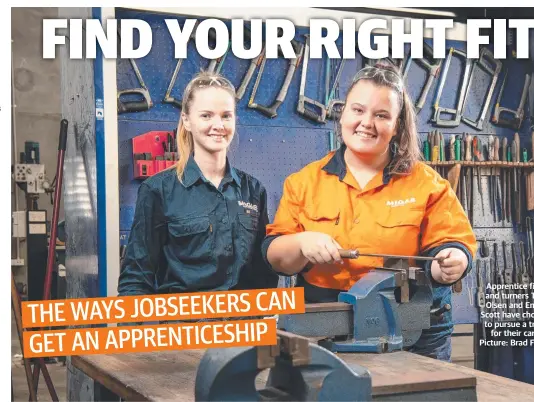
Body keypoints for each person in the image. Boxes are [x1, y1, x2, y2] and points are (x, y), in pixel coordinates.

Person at [262, 62, 477, 362]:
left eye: (381, 115)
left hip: (411, 331)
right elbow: (277, 259)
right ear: (343, 113)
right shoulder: (303, 183)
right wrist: (301, 243)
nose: (367, 123)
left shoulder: (427, 184)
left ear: (398, 125)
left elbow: (454, 243)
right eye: (358, 110)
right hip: (325, 327)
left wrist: (452, 263)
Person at [118, 71, 279, 297]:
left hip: (243, 327)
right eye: (206, 116)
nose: (218, 125)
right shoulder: (159, 190)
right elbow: (135, 278)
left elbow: (264, 274)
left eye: (226, 116)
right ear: (187, 120)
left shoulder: (253, 191)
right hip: (183, 329)